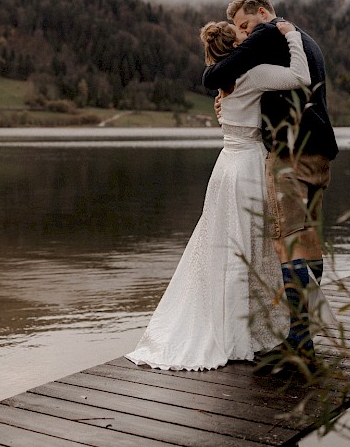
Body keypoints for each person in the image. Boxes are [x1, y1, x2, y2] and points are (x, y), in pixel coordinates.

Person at [126, 20, 310, 371]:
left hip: (225, 166)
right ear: (237, 47)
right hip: (248, 168)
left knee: (225, 244)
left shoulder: (221, 79)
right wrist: (293, 37)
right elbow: (300, 77)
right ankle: (245, 329)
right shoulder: (254, 74)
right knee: (249, 245)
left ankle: (233, 321)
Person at [203, 0, 338, 367]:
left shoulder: (271, 36)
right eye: (240, 31)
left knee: (287, 242)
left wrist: (221, 87)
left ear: (262, 13)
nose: (244, 37)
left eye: (246, 25)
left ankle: (300, 339)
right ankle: (305, 331)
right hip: (320, 151)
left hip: (290, 155)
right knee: (308, 239)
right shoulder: (307, 40)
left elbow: (220, 72)